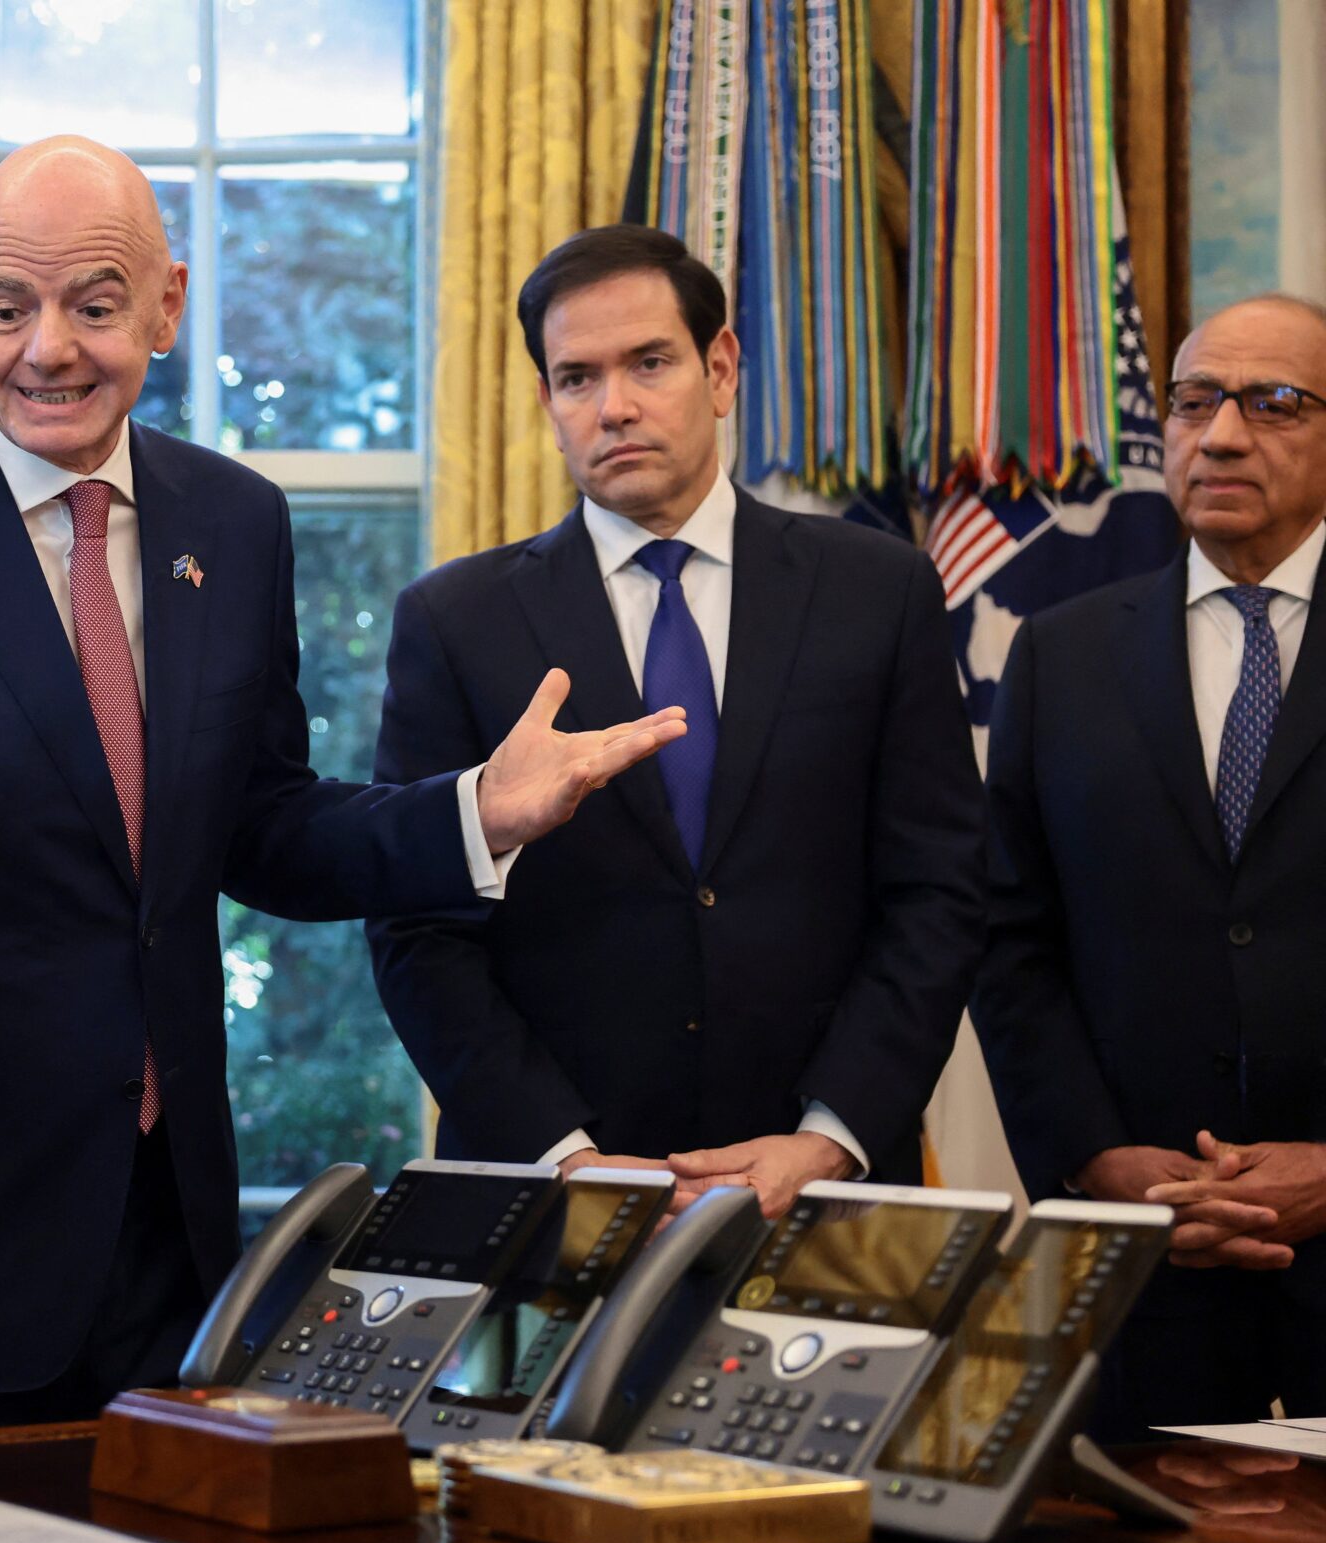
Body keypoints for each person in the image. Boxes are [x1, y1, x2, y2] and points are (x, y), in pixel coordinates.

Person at [0, 138, 684, 1437]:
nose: (47, 350)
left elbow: (263, 824)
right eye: (7, 305)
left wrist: (474, 810)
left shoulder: (233, 521)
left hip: (166, 1247)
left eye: (91, 303)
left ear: (166, 305)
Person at [367, 224, 986, 1213]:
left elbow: (939, 894)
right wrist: (564, 1156)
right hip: (547, 1199)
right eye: (576, 378)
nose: (613, 406)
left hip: (819, 1191)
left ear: (721, 368)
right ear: (545, 402)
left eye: (649, 363)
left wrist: (830, 1137)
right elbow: (415, 929)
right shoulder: (454, 622)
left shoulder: (879, 591)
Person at [976, 294, 1326, 1437]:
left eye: (1273, 403)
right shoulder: (1059, 656)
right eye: (1192, 401)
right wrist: (1093, 1157)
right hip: (1138, 1276)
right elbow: (1009, 940)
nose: (1221, 435)